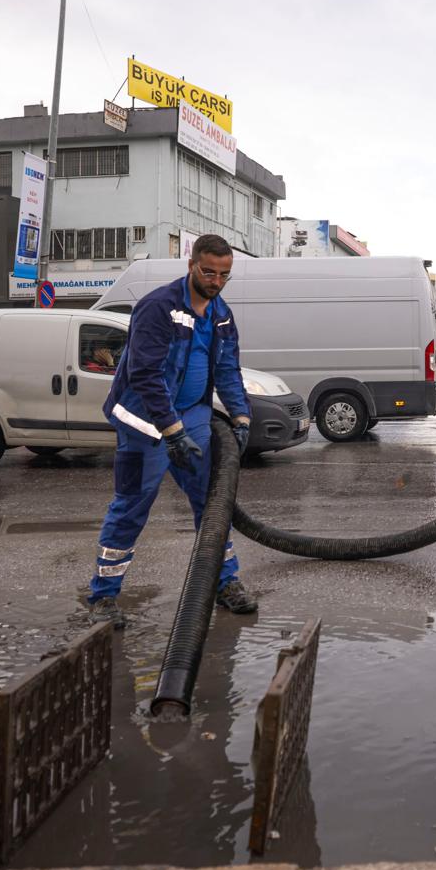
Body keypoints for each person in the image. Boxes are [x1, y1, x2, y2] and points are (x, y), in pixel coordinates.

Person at [86, 233, 258, 627]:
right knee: (132, 506)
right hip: (144, 423)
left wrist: (241, 417)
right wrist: (172, 430)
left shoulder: (221, 314)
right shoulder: (157, 307)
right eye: (209, 272)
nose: (216, 281)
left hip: (193, 418)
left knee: (213, 503)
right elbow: (144, 374)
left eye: (224, 275)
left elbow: (228, 370)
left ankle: (225, 582)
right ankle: (103, 596)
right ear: (191, 265)